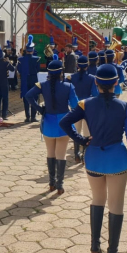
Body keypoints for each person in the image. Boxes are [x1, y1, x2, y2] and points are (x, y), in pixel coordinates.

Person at [59, 64, 127, 253]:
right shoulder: (125, 107)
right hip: (117, 160)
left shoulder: (85, 104)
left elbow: (65, 122)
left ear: (96, 82)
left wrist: (82, 140)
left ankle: (94, 248)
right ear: (117, 83)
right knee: (116, 204)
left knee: (97, 199)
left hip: (93, 158)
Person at [25, 60, 79, 195]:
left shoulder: (42, 85)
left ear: (48, 72)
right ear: (61, 71)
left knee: (50, 152)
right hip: (64, 122)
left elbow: (28, 95)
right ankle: (60, 185)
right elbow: (75, 105)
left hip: (48, 121)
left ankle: (51, 183)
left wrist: (39, 109)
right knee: (61, 154)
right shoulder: (69, 86)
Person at [65, 56, 98, 163]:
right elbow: (95, 94)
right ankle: (84, 154)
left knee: (76, 132)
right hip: (88, 108)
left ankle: (76, 154)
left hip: (75, 108)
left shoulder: (70, 78)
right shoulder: (92, 78)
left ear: (77, 65)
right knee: (87, 133)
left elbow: (67, 95)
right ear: (87, 65)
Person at [17, 35, 40, 123]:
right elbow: (38, 70)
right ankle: (33, 117)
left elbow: (19, 70)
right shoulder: (37, 59)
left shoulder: (21, 59)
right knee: (34, 97)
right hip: (34, 79)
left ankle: (27, 116)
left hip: (25, 80)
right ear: (32, 50)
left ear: (26, 50)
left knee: (26, 97)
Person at [0, 46, 15, 122]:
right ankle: (4, 115)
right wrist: (8, 61)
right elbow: (12, 69)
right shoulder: (5, 63)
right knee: (5, 98)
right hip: (4, 82)